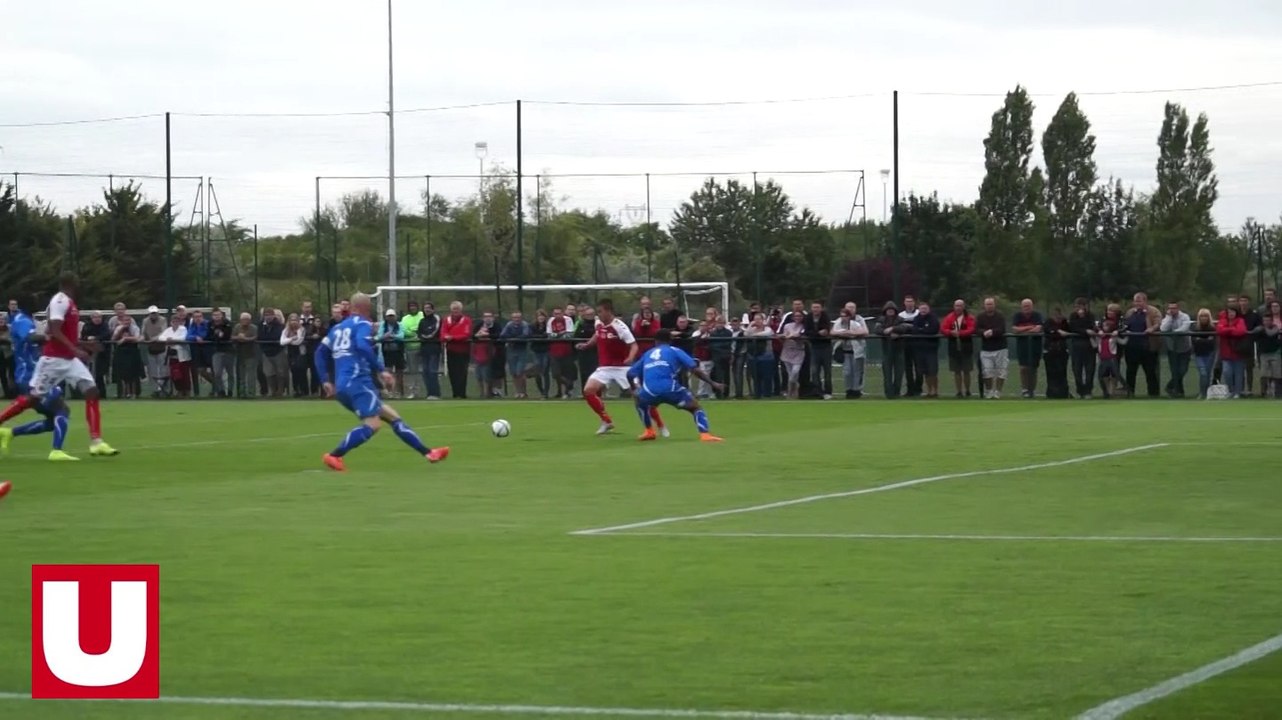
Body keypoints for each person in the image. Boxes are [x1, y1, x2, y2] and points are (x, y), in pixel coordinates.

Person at [313, 293, 450, 472]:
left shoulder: (338, 328)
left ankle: (429, 453)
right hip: (358, 383)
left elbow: (319, 353)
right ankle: (335, 455)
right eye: (369, 307)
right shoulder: (363, 324)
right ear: (364, 308)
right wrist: (381, 370)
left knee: (393, 417)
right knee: (373, 424)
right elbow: (362, 346)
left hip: (343, 384)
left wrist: (325, 380)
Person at [16, 274, 118, 457]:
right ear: (71, 284)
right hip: (53, 359)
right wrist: (76, 349)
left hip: (68, 359)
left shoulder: (69, 302)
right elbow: (54, 330)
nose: (80, 286)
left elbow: (64, 334)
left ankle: (96, 441)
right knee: (33, 399)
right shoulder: (60, 301)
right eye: (77, 282)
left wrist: (84, 345)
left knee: (92, 391)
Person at [575, 299, 666, 436]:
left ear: (608, 311)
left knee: (641, 397)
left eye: (600, 311)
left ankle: (659, 424)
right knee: (588, 391)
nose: (598, 314)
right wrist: (587, 345)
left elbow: (633, 345)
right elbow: (597, 334)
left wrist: (630, 358)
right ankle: (607, 421)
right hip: (604, 367)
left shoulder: (620, 327)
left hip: (622, 368)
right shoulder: (598, 323)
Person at [629, 329, 724, 442]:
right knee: (695, 407)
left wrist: (634, 389)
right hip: (670, 389)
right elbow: (694, 369)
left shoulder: (648, 353)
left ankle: (649, 431)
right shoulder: (674, 350)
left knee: (638, 400)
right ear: (670, 340)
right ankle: (705, 434)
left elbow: (630, 373)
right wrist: (713, 383)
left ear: (655, 341)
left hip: (650, 391)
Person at [0, 385, 75, 460]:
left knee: (52, 422)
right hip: (40, 389)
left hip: (36, 389)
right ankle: (56, 451)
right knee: (61, 411)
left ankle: (11, 432)